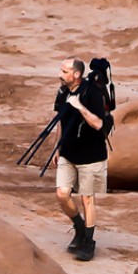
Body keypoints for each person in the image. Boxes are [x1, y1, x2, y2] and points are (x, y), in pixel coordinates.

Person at [53, 57, 108, 261]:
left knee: (87, 198)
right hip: (68, 153)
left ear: (76, 74)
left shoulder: (92, 93)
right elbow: (60, 121)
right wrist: (57, 147)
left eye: (65, 71)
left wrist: (79, 107)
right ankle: (79, 227)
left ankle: (89, 243)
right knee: (61, 194)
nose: (60, 74)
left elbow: (98, 124)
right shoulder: (62, 92)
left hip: (91, 156)